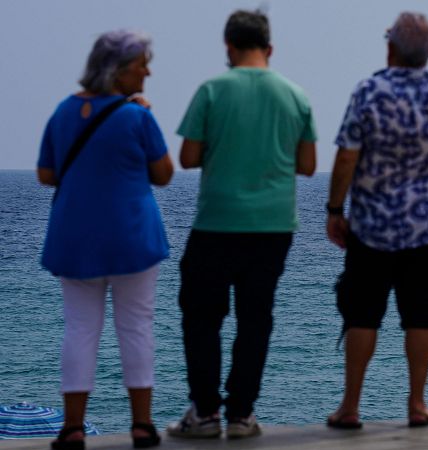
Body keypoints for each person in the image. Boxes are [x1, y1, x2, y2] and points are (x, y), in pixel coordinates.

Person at [166, 9, 317, 439]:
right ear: (269, 49)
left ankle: (205, 413)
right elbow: (307, 166)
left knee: (202, 318)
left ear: (228, 48)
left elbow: (188, 158)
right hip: (272, 226)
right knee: (256, 319)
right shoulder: (295, 95)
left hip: (217, 222)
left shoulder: (212, 90)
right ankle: (242, 414)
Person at [325, 12, 428, 429]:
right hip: (426, 227)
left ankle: (350, 407)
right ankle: (417, 404)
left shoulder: (370, 90)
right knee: (422, 316)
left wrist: (336, 210)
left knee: (362, 314)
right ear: (426, 51)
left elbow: (347, 155)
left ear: (389, 49)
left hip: (371, 226)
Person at [37, 30, 173, 450]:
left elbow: (46, 175)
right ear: (118, 71)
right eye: (141, 65)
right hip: (132, 237)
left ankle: (73, 427)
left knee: (79, 328)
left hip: (74, 237)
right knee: (136, 327)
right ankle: (142, 425)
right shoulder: (137, 116)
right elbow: (164, 174)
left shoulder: (63, 111)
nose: (148, 72)